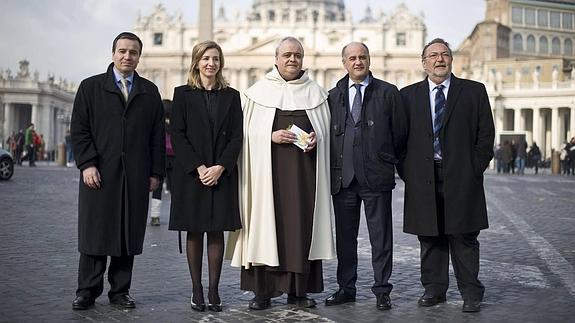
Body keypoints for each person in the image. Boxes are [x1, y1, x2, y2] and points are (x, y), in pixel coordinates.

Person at [227, 36, 335, 310]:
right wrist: (269, 135)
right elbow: (244, 134)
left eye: (297, 55)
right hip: (267, 176)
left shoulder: (317, 93)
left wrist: (316, 139)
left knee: (301, 229)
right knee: (265, 225)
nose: (292, 59)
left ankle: (298, 291)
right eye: (286, 54)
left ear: (303, 59)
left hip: (305, 177)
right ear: (275, 58)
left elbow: (325, 131)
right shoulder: (256, 92)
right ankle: (262, 292)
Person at [70, 32, 165, 310]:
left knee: (127, 234)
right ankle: (86, 290)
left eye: (133, 52)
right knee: (95, 233)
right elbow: (79, 129)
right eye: (122, 51)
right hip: (99, 172)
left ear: (139, 56)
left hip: (135, 174)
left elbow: (157, 136)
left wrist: (156, 172)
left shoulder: (149, 92)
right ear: (112, 54)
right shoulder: (90, 88)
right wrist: (87, 163)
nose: (127, 56)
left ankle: (120, 291)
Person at [398, 38, 495, 313]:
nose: (439, 59)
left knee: (463, 236)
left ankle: (471, 293)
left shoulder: (474, 91)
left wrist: (475, 167)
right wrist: (408, 172)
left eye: (444, 54)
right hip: (423, 176)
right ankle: (434, 290)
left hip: (463, 175)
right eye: (433, 55)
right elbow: (399, 140)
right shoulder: (407, 96)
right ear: (424, 62)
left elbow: (486, 134)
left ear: (452, 60)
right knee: (429, 237)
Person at [324, 42, 407, 310]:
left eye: (362, 57)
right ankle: (346, 287)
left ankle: (382, 290)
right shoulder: (332, 96)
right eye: (352, 58)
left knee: (380, 238)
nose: (357, 62)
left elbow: (401, 134)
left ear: (369, 60)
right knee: (345, 239)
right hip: (343, 179)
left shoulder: (388, 92)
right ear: (344, 62)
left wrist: (389, 162)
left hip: (376, 177)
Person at [168, 40, 243, 312]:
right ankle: (196, 288)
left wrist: (221, 167)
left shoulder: (232, 96)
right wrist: (199, 168)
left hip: (221, 173)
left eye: (215, 58)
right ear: (197, 62)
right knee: (194, 230)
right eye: (206, 58)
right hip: (192, 174)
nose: (211, 63)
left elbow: (237, 136)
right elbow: (178, 135)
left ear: (220, 63)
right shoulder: (182, 94)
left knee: (216, 231)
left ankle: (213, 289)